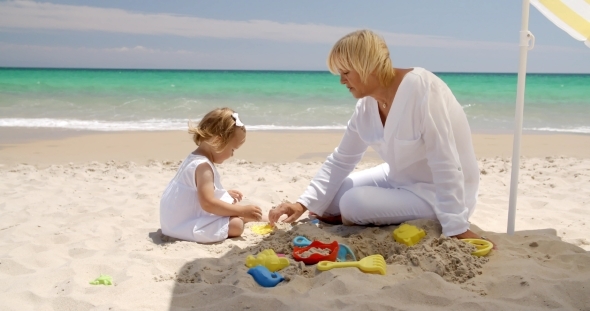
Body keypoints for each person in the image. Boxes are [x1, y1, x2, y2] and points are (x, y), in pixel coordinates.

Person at [268, 29, 487, 242]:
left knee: (353, 203)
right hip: (399, 178)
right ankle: (349, 216)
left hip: (437, 192)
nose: (342, 81)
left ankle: (354, 217)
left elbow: (445, 160)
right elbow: (342, 159)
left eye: (346, 73)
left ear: (369, 66)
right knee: (328, 201)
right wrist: (302, 204)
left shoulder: (421, 88)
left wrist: (456, 226)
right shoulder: (366, 105)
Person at [160, 107, 262, 243]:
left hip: (174, 222)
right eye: (232, 149)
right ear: (218, 141)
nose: (232, 154)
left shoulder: (194, 158)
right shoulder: (203, 167)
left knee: (237, 209)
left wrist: (222, 194)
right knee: (236, 225)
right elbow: (208, 204)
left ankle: (261, 217)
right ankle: (254, 216)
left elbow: (195, 193)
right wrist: (241, 211)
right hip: (182, 226)